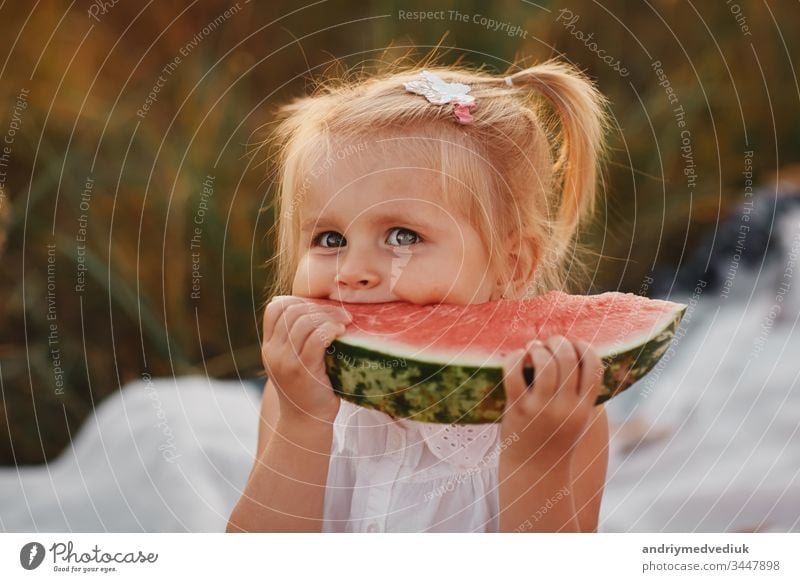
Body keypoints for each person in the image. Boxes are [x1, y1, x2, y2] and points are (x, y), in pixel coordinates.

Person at [227, 56, 611, 533]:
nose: (352, 272)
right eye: (330, 239)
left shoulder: (563, 415)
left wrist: (535, 459)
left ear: (513, 265)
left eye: (402, 236)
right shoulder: (296, 398)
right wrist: (302, 424)